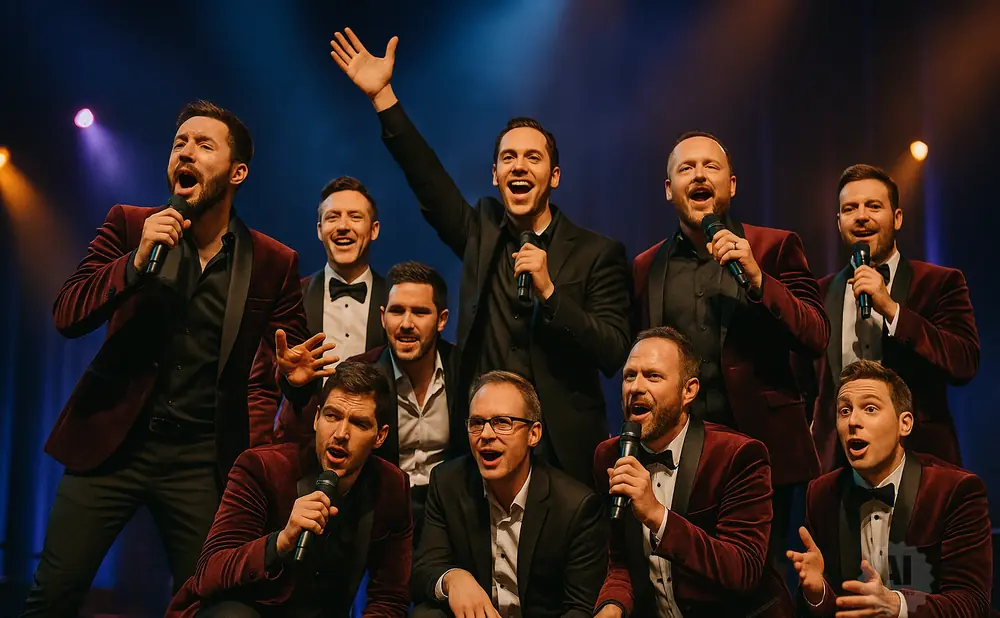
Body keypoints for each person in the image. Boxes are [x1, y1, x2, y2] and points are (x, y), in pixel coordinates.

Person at [22, 100, 335, 616]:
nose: (185, 152)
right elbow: (67, 314)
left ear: (237, 173)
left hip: (201, 458)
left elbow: (293, 363)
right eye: (179, 143)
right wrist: (134, 263)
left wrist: (297, 381)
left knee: (209, 600)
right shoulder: (129, 225)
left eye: (203, 144)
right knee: (54, 594)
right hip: (111, 445)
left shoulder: (274, 262)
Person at [327, 27, 632, 487]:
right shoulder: (482, 232)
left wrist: (551, 294)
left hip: (564, 452)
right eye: (509, 158)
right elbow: (429, 183)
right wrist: (384, 97)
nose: (520, 166)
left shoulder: (598, 253)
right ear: (495, 175)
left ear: (554, 176)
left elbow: (612, 352)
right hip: (484, 447)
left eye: (533, 157)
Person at [631, 131, 829, 566]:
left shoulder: (775, 247)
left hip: (768, 455)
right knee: (696, 579)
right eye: (686, 168)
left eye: (710, 166)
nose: (699, 174)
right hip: (684, 460)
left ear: (732, 185)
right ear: (669, 190)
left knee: (771, 583)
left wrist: (760, 281)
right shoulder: (646, 267)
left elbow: (816, 336)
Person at [167, 361, 412, 618]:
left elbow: (390, 596)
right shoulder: (262, 468)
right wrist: (280, 541)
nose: (341, 433)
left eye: (359, 424)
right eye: (332, 416)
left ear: (380, 436)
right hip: (246, 610)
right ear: (316, 418)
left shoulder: (391, 486)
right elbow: (210, 571)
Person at [594, 327, 794, 617]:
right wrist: (611, 606)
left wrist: (657, 516)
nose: (635, 387)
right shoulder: (609, 457)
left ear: (689, 391)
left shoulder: (738, 455)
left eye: (653, 376)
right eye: (629, 375)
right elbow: (620, 562)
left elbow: (743, 570)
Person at [790, 360, 992, 617]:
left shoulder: (955, 491)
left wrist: (898, 606)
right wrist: (817, 594)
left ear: (904, 424)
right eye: (844, 411)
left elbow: (971, 604)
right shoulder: (822, 493)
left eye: (870, 408)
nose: (853, 421)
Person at [811, 164, 979, 472]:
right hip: (838, 469)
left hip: (923, 462)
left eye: (874, 206)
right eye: (851, 208)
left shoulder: (940, 283)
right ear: (839, 222)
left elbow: (964, 362)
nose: (862, 216)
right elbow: (805, 384)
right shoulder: (820, 292)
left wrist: (892, 309)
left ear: (897, 218)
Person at [411, 371, 607, 618]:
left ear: (533, 434)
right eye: (476, 423)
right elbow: (423, 570)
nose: (486, 435)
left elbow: (580, 608)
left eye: (502, 422)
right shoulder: (448, 483)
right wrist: (453, 578)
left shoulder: (575, 505)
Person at [251, 175, 388, 444]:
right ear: (319, 229)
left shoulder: (395, 303)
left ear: (374, 230)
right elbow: (260, 387)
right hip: (298, 447)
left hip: (374, 454)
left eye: (355, 217)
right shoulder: (289, 296)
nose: (343, 226)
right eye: (333, 217)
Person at [350, 261, 466, 545]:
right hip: (379, 518)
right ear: (383, 316)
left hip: (449, 518)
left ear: (442, 320)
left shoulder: (467, 369)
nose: (406, 324)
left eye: (420, 312)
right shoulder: (361, 374)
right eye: (397, 311)